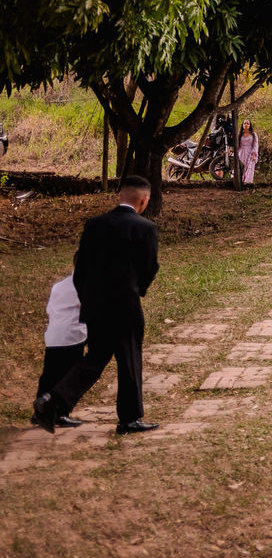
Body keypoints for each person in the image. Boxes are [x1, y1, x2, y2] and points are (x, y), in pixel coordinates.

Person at [33, 175, 160, 435]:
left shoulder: (94, 225)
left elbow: (81, 270)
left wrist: (88, 298)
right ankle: (129, 418)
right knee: (130, 361)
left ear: (119, 196)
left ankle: (53, 400)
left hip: (95, 306)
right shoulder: (145, 227)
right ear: (144, 200)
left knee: (97, 357)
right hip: (125, 304)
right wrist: (138, 291)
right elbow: (149, 267)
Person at [30, 275, 87, 429]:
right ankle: (60, 413)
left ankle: (39, 413)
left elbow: (51, 308)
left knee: (49, 373)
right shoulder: (85, 283)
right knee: (67, 374)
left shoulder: (59, 285)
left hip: (54, 334)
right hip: (72, 334)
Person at [237, 120, 259, 186]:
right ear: (242, 125)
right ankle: (239, 183)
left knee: (249, 168)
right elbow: (237, 145)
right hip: (241, 153)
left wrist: (254, 153)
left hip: (250, 153)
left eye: (248, 123)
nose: (246, 125)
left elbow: (255, 144)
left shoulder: (253, 134)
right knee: (240, 168)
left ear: (250, 125)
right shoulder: (239, 134)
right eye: (244, 123)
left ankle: (247, 184)